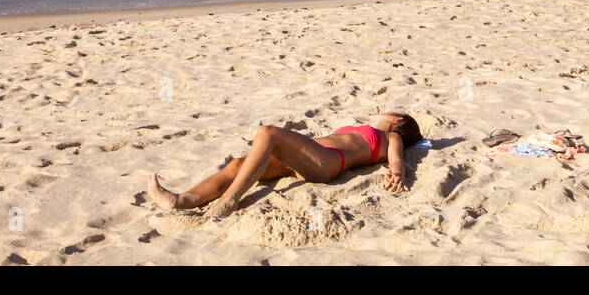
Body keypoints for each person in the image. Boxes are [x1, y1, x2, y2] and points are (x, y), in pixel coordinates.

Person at [147, 112, 422, 218]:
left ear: (396, 120)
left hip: (327, 163)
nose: (381, 112)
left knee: (268, 132)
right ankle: (182, 200)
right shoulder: (361, 128)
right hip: (306, 158)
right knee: (239, 164)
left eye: (388, 112)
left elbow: (397, 161)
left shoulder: (391, 136)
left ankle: (230, 200)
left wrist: (398, 173)